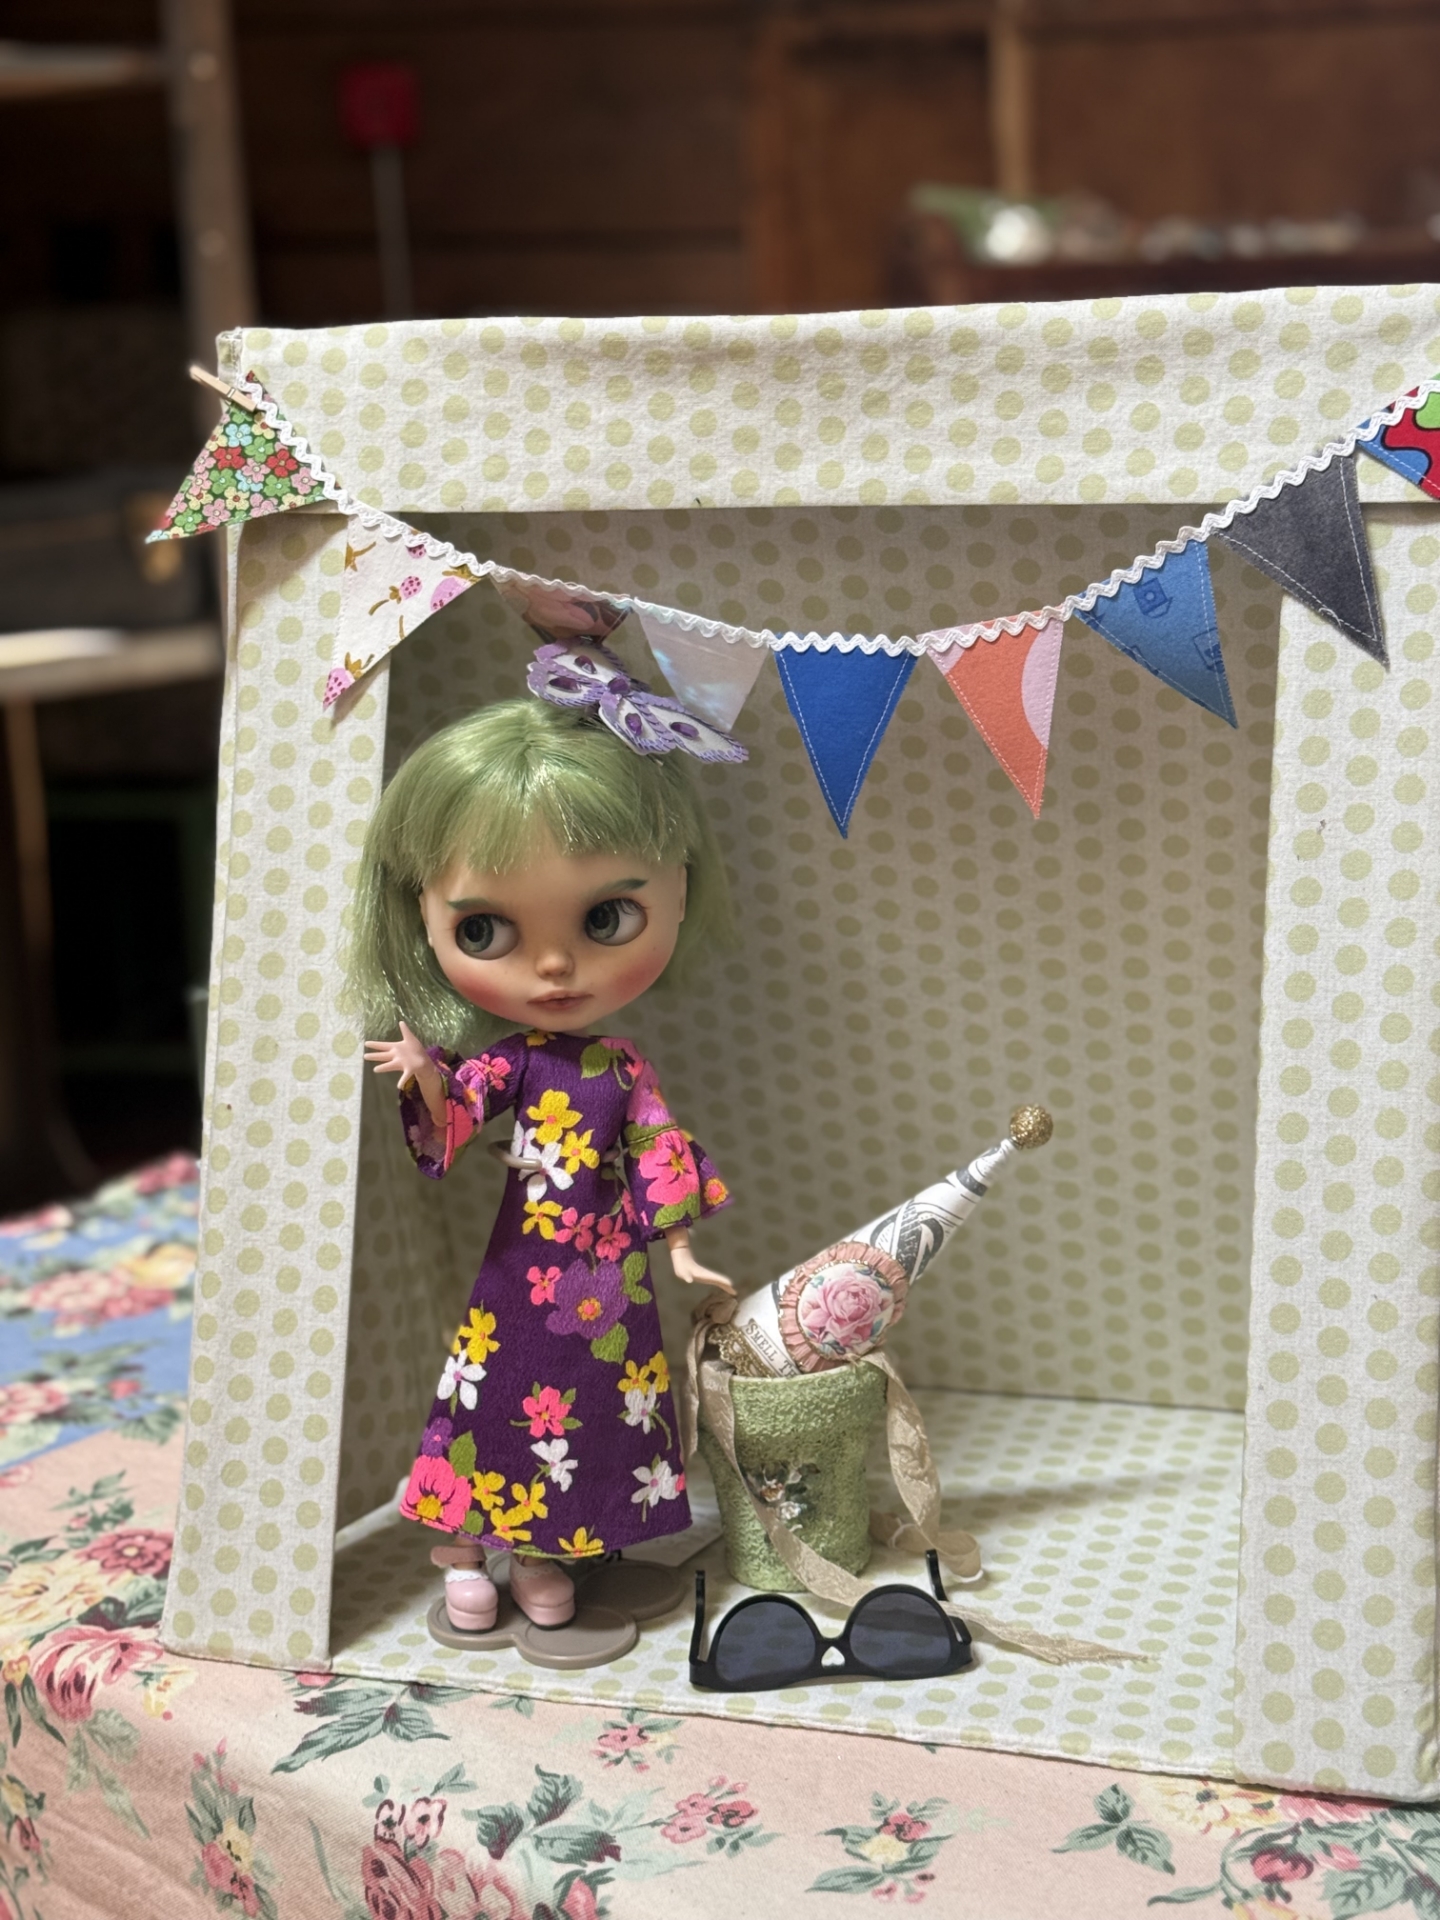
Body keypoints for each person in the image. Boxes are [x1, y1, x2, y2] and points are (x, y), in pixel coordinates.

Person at [351, 640, 742, 1632]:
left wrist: (680, 1244)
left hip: (610, 1273)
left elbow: (656, 1147)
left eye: (606, 917)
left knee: (599, 1403)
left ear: (677, 891)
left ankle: (554, 1548)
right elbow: (454, 1113)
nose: (556, 968)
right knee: (499, 1394)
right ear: (424, 920)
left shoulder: (620, 1068)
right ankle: (469, 1550)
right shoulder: (514, 1063)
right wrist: (425, 1073)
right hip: (523, 1269)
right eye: (485, 930)